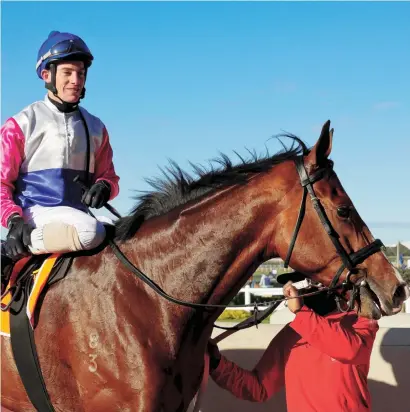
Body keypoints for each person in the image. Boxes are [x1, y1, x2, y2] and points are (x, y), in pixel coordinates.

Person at [1, 31, 119, 267]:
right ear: (47, 75)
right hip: (35, 214)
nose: (76, 80)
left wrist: (103, 186)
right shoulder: (20, 124)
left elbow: (109, 176)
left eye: (81, 73)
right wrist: (13, 220)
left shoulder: (96, 127)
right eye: (67, 73)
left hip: (77, 214)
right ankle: (10, 250)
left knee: (124, 232)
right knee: (90, 232)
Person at [208, 272, 379, 412]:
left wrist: (301, 312)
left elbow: (351, 351)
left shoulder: (360, 321)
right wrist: (217, 363)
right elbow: (259, 387)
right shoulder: (290, 333)